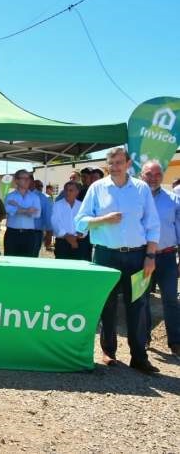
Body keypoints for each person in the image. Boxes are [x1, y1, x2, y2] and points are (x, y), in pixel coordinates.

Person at [75, 147, 160, 374]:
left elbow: (152, 225)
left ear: (128, 164)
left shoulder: (141, 189)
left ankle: (139, 357)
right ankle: (109, 351)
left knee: (138, 306)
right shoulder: (97, 188)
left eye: (119, 162)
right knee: (107, 304)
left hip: (137, 255)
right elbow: (80, 222)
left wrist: (150, 256)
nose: (115, 167)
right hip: (105, 255)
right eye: (111, 163)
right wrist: (103, 219)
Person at [140, 161, 180, 356]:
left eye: (157, 174)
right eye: (149, 174)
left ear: (162, 176)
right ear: (141, 175)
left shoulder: (174, 200)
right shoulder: (136, 200)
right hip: (141, 257)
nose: (153, 178)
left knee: (171, 299)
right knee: (142, 299)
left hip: (167, 257)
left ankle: (176, 341)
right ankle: (143, 338)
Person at [4, 170, 41, 257]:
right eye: (24, 178)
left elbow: (37, 214)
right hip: (12, 234)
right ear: (16, 181)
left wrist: (18, 207)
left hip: (29, 235)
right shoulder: (10, 196)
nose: (27, 180)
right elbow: (9, 210)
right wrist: (27, 210)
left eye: (28, 178)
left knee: (27, 261)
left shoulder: (35, 197)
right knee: (10, 260)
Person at [50, 181, 84, 260]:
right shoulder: (57, 205)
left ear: (77, 192)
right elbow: (55, 222)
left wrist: (80, 234)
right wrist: (68, 236)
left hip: (79, 242)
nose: (68, 193)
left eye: (71, 190)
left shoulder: (81, 205)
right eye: (66, 190)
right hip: (63, 242)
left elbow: (84, 221)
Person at [31, 179, 53, 257]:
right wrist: (49, 235)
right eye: (39, 186)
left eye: (41, 186)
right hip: (35, 233)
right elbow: (49, 218)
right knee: (32, 257)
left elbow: (48, 217)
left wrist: (49, 234)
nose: (40, 188)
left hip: (35, 233)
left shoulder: (45, 198)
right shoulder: (45, 198)